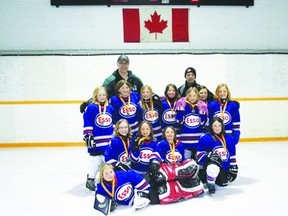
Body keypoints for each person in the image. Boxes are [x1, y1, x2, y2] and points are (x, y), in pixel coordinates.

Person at [149, 126, 204, 204]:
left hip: (178, 168)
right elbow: (156, 154)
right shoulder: (162, 143)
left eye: (171, 132)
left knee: (191, 164)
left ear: (174, 134)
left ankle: (183, 185)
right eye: (167, 132)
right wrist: (155, 162)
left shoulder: (180, 144)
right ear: (164, 134)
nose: (170, 134)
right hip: (167, 168)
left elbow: (182, 158)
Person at [79, 55, 144, 113]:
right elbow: (101, 93)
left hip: (133, 114)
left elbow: (145, 92)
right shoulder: (110, 80)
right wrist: (87, 103)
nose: (124, 65)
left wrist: (153, 96)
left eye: (126, 63)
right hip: (116, 114)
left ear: (128, 64)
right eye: (121, 63)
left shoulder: (136, 79)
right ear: (117, 64)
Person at [83, 86, 114, 191]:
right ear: (95, 96)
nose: (102, 97)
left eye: (104, 95)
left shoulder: (110, 108)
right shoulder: (91, 108)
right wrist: (88, 135)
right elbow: (88, 122)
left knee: (107, 160)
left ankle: (107, 178)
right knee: (96, 160)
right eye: (100, 95)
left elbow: (112, 123)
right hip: (96, 140)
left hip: (108, 139)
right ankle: (90, 179)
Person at [196, 117, 238, 194]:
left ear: (222, 126)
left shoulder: (229, 138)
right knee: (212, 168)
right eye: (215, 126)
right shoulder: (205, 138)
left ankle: (215, 177)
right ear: (211, 127)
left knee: (222, 184)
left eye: (219, 125)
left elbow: (232, 155)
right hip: (210, 165)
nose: (217, 128)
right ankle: (210, 183)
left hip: (224, 166)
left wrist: (233, 167)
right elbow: (199, 155)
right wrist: (208, 155)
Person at [175, 87, 208, 161]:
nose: (192, 98)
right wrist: (181, 109)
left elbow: (203, 123)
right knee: (186, 160)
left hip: (198, 140)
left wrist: (202, 111)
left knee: (200, 160)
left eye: (194, 95)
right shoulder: (183, 105)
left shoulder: (200, 106)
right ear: (187, 96)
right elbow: (179, 121)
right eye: (190, 95)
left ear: (197, 96)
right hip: (186, 140)